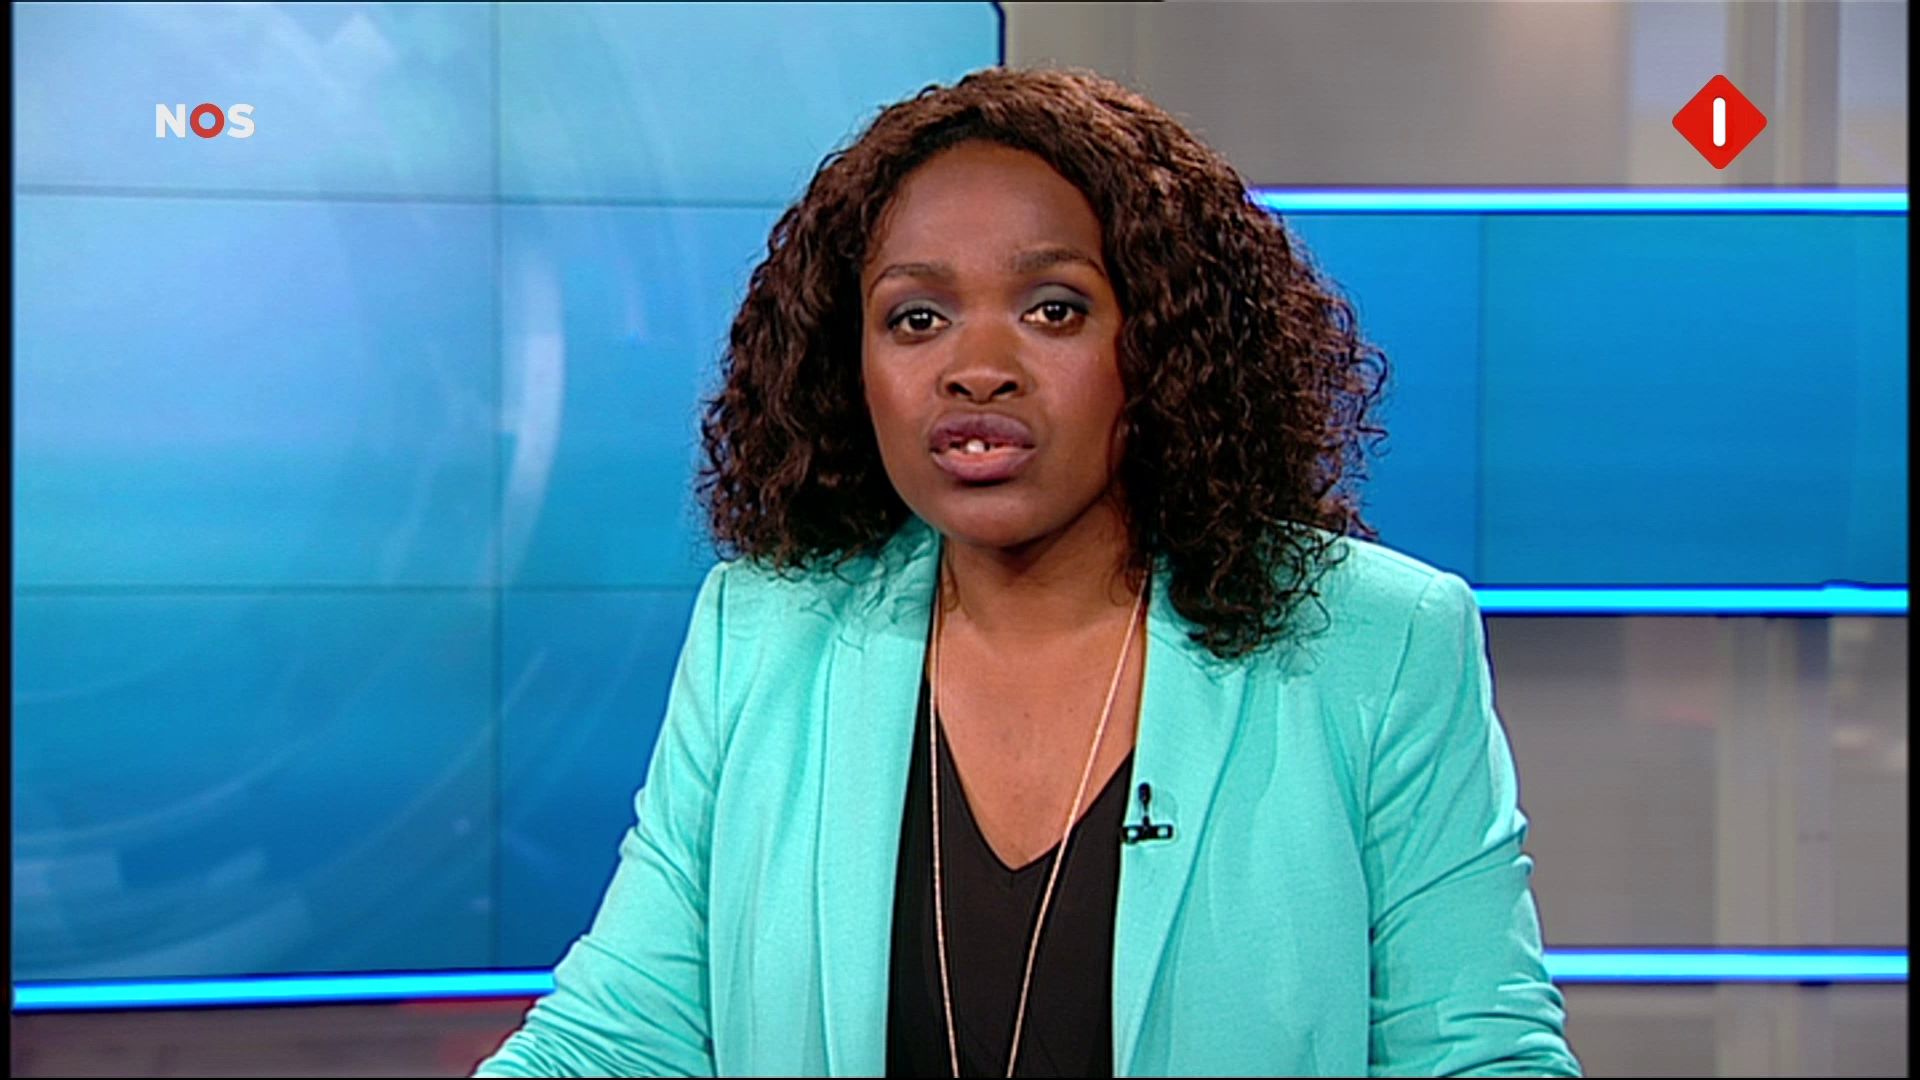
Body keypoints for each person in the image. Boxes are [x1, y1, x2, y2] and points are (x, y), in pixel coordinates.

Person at [475, 65, 1580, 1078]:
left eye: (1053, 310)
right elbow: (622, 1035)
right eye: (917, 318)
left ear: (1161, 344)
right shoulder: (763, 635)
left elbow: (1480, 1058)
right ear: (848, 365)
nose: (978, 370)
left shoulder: (1377, 644)